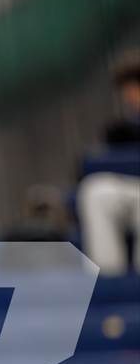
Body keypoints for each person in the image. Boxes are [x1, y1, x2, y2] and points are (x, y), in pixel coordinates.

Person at [77, 49, 140, 275]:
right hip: (130, 188)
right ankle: (109, 281)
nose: (131, 96)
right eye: (129, 90)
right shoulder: (123, 131)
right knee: (96, 191)